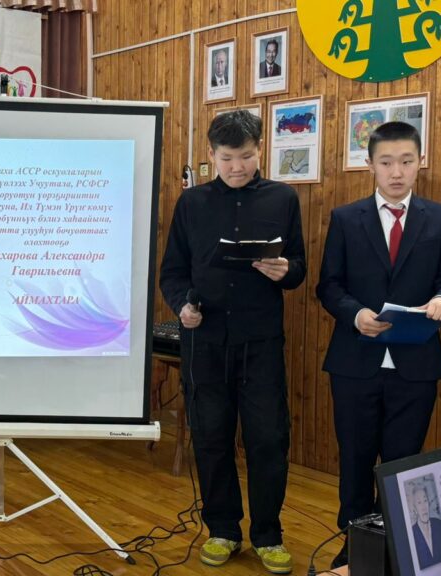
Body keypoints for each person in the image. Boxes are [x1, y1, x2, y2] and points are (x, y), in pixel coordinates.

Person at [316, 121, 441, 569]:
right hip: (354, 363)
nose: (396, 172)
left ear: (420, 161)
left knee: (404, 466)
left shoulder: (440, 217)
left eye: (406, 161)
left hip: (415, 365)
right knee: (355, 461)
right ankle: (354, 546)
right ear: (370, 165)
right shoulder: (346, 218)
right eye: (386, 162)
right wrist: (355, 314)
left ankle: (397, 549)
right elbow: (330, 285)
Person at [159, 110, 305, 574]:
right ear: (211, 155)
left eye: (246, 156)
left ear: (260, 150)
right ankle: (222, 529)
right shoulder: (192, 203)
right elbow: (172, 273)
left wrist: (287, 271)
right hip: (205, 342)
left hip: (261, 342)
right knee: (211, 438)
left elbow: (299, 266)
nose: (237, 166)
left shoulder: (283, 198)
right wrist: (182, 307)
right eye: (227, 158)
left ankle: (268, 535)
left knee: (268, 439)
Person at [410, 485, 441, 569]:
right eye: (419, 503)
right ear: (415, 509)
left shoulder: (439, 525)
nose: (424, 507)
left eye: (425, 500)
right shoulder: (411, 534)